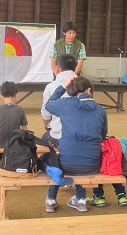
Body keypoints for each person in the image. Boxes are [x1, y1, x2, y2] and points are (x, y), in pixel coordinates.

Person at [44, 76, 107, 212]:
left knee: (56, 162)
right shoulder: (100, 110)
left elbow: (49, 104)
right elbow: (102, 135)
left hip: (67, 163)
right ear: (89, 90)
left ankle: (51, 200)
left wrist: (62, 86)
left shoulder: (66, 103)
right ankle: (81, 200)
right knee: (81, 156)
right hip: (91, 165)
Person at [41, 54, 77, 213]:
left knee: (47, 146)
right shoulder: (82, 86)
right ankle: (79, 193)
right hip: (78, 139)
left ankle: (51, 197)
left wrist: (48, 126)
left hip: (56, 137)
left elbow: (45, 113)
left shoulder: (51, 87)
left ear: (57, 68)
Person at [0, 81, 28, 161]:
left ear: (1, 96)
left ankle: (2, 163)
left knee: (1, 141)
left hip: (0, 142)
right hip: (15, 143)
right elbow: (25, 129)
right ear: (17, 95)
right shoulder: (20, 110)